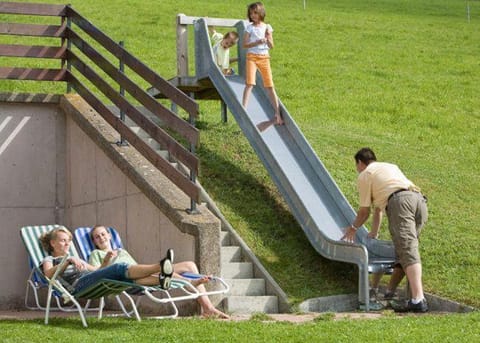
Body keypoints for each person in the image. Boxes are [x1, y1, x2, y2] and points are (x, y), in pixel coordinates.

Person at [342, 147, 429, 313]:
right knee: (403, 252)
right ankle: (390, 292)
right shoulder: (389, 167)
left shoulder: (366, 174)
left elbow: (364, 212)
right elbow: (378, 209)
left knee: (408, 250)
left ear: (360, 162)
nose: (357, 169)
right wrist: (374, 232)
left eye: (356, 165)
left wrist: (353, 228)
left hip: (400, 203)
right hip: (419, 201)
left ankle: (418, 299)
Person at [88, 225, 229, 319]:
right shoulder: (96, 254)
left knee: (190, 265)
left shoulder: (121, 251)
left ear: (109, 235)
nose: (101, 238)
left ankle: (207, 307)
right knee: (164, 272)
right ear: (94, 241)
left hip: (141, 273)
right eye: (97, 237)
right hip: (126, 279)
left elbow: (135, 265)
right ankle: (191, 284)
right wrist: (106, 260)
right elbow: (96, 274)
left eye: (103, 234)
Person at [39, 227, 174, 297]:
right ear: (52, 243)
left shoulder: (76, 259)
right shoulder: (49, 259)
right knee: (118, 268)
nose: (67, 243)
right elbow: (49, 274)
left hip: (89, 280)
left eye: (68, 240)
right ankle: (160, 266)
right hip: (77, 286)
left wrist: (106, 261)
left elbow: (97, 271)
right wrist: (68, 261)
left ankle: (161, 280)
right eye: (63, 240)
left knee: (123, 280)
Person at [242, 2, 283, 125]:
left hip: (264, 57)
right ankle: (244, 110)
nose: (253, 15)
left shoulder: (267, 27)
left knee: (270, 86)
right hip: (252, 57)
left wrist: (267, 38)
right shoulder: (250, 27)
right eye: (251, 13)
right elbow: (244, 45)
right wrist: (257, 42)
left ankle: (278, 114)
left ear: (261, 13)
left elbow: (271, 45)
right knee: (250, 83)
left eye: (255, 13)